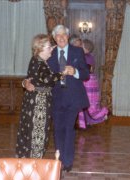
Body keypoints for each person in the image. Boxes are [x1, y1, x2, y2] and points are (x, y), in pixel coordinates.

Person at [24, 25, 90, 171]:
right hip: (54, 98)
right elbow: (34, 71)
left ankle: (68, 161)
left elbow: (86, 74)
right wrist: (25, 82)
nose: (61, 38)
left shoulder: (77, 51)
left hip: (73, 97)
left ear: (68, 36)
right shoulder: (49, 52)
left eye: (64, 35)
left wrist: (76, 71)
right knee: (58, 129)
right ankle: (59, 160)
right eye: (58, 36)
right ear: (54, 38)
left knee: (69, 128)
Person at [15, 34, 67, 158]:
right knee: (37, 132)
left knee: (29, 131)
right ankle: (34, 162)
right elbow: (46, 79)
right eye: (49, 46)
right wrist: (62, 73)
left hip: (35, 99)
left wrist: (26, 82)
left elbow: (33, 78)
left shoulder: (37, 60)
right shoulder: (39, 62)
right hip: (39, 102)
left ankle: (25, 160)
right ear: (39, 48)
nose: (52, 49)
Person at [77, 39, 109, 129]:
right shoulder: (89, 56)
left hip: (87, 81)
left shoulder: (85, 57)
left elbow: (84, 70)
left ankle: (104, 112)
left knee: (88, 104)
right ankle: (85, 124)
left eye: (81, 46)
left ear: (85, 47)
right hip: (91, 80)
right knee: (86, 104)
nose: (79, 47)